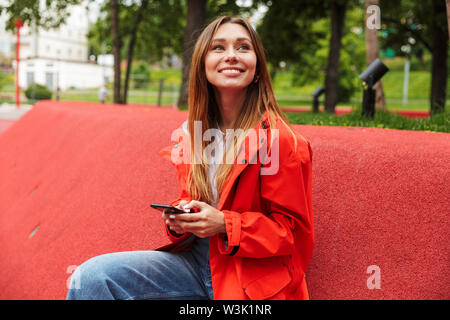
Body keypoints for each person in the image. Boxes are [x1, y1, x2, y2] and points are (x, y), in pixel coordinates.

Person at [66, 16, 314, 300]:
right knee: (91, 279)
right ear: (202, 65)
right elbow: (192, 199)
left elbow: (291, 235)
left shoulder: (280, 141)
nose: (231, 55)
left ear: (257, 69)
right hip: (195, 264)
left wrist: (223, 224)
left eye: (243, 47)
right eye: (218, 48)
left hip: (252, 280)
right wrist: (181, 217)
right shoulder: (192, 134)